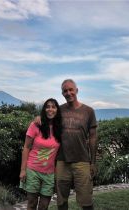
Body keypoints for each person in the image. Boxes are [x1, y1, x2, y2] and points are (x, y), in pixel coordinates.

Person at [35, 79, 98, 210]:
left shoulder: (89, 111)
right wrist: (38, 118)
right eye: (65, 91)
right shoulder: (60, 110)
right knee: (61, 201)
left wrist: (93, 162)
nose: (68, 93)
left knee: (86, 200)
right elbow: (47, 118)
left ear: (77, 91)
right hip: (62, 161)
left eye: (71, 90)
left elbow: (93, 138)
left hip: (82, 161)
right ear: (62, 93)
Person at [19, 98, 62, 210]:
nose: (50, 109)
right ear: (44, 109)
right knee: (32, 204)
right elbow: (26, 147)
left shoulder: (59, 128)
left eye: (53, 107)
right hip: (33, 170)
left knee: (44, 206)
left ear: (57, 110)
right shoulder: (36, 125)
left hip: (49, 174)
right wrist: (23, 170)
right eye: (47, 107)